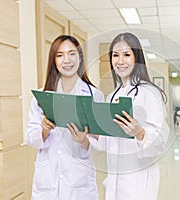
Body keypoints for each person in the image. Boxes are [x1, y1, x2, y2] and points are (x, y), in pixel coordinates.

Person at [90, 32, 170, 200]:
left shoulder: (149, 93)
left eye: (126, 55)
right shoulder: (112, 96)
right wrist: (91, 131)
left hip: (138, 183)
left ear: (137, 57)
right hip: (115, 180)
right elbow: (109, 141)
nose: (120, 61)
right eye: (115, 55)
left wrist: (140, 133)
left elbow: (161, 141)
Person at [26, 35, 104, 200]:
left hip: (79, 183)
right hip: (47, 181)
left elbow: (102, 141)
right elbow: (30, 138)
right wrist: (44, 130)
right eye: (60, 55)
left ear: (80, 58)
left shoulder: (94, 95)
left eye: (72, 54)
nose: (66, 60)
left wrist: (84, 140)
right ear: (54, 60)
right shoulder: (42, 97)